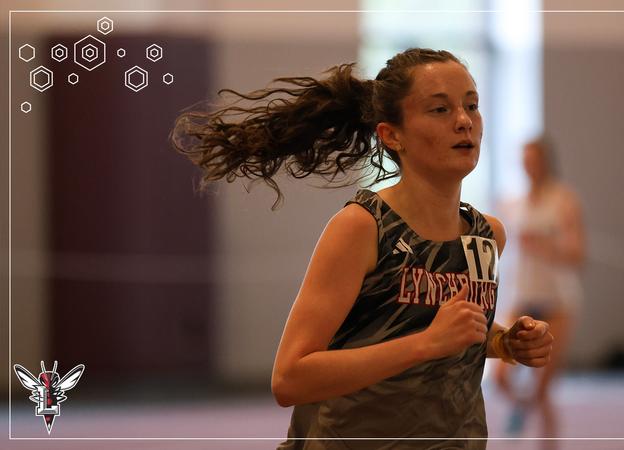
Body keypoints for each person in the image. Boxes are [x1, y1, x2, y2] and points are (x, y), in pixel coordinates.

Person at [171, 48, 554, 449]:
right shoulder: (362, 228)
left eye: (472, 105)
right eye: (440, 109)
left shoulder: (487, 236)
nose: (464, 121)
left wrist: (505, 342)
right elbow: (289, 378)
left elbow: (436, 326)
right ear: (392, 135)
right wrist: (424, 345)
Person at [494, 137, 585, 442]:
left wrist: (546, 245)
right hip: (522, 296)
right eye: (524, 160)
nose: (528, 166)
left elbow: (577, 254)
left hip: (557, 300)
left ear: (545, 162)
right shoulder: (511, 203)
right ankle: (521, 407)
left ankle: (548, 441)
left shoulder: (563, 199)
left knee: (543, 388)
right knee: (501, 376)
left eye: (533, 160)